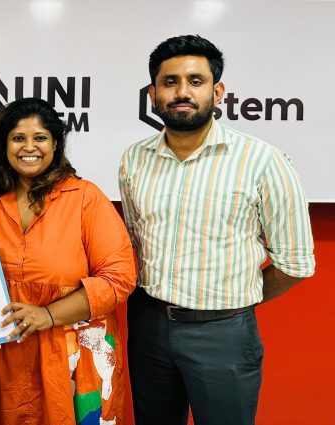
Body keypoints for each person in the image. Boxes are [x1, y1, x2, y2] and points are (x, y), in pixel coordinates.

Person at [119, 34, 316, 425]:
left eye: (196, 81)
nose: (182, 92)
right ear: (153, 94)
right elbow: (135, 241)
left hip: (224, 334)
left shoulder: (263, 160)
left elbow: (295, 263)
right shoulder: (134, 159)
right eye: (170, 81)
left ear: (217, 91)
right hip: (148, 326)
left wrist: (232, 303)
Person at [0, 97, 137, 424]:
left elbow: (119, 279)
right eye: (18, 138)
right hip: (1, 358)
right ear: (4, 145)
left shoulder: (85, 198)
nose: (29, 147)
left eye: (40, 137)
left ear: (55, 143)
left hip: (73, 359)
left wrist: (48, 314)